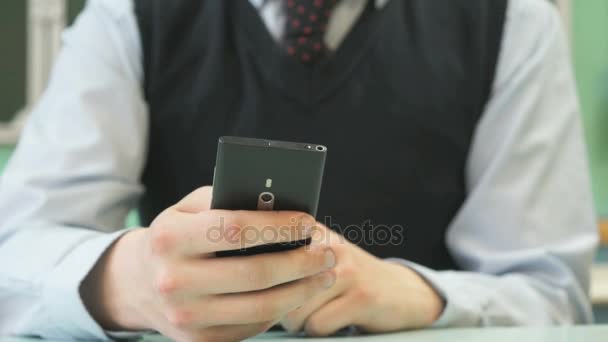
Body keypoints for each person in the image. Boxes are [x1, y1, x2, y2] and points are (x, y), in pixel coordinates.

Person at [0, 0, 599, 341]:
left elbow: (553, 295)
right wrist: (121, 280)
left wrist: (422, 295)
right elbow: (12, 249)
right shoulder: (128, 15)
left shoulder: (511, 23)